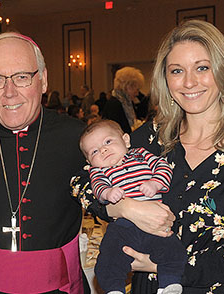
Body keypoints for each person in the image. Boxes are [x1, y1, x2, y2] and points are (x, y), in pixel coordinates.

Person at [0, 32, 173, 294]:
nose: (9, 93)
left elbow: (105, 189)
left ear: (43, 80)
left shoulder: (79, 137)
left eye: (21, 77)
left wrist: (127, 207)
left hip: (59, 288)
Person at [125, 20, 224, 293]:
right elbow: (85, 180)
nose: (188, 82)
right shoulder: (151, 139)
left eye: (202, 68)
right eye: (177, 71)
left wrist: (168, 267)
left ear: (222, 72)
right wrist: (122, 207)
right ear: (166, 79)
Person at [78, 120, 185, 294]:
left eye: (107, 142)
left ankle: (169, 285)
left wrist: (155, 183)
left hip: (155, 224)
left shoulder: (141, 154)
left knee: (172, 250)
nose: (103, 150)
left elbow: (163, 167)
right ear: (89, 160)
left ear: (126, 140)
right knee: (109, 256)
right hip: (123, 227)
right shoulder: (98, 171)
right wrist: (107, 193)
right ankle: (114, 289)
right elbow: (97, 187)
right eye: (94, 151)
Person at [102, 66, 145, 134]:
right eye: (136, 90)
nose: (137, 94)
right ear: (127, 86)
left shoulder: (128, 103)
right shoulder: (114, 105)